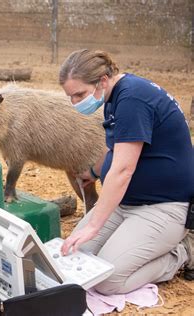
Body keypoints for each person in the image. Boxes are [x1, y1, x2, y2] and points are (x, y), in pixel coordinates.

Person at [58, 49, 194, 295]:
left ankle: (182, 252)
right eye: (71, 97)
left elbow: (123, 169)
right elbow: (117, 149)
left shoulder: (133, 99)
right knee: (75, 258)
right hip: (125, 204)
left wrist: (93, 225)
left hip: (162, 207)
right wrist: (93, 171)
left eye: (80, 94)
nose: (75, 103)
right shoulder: (115, 96)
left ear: (102, 81)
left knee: (108, 280)